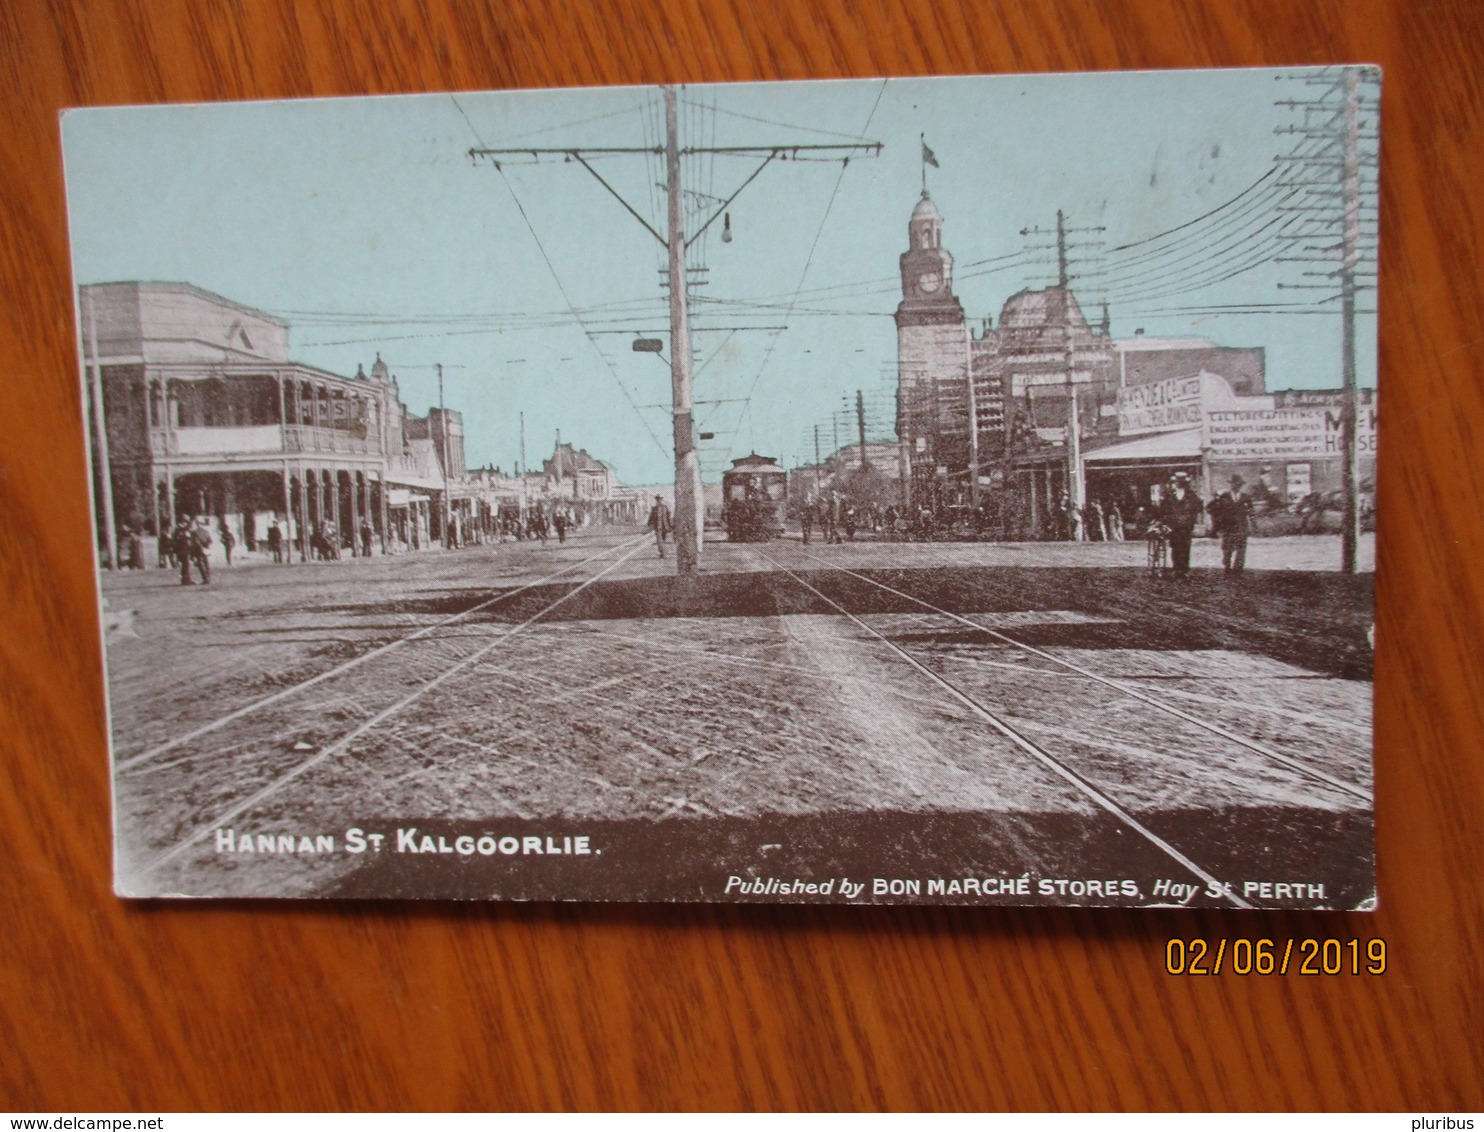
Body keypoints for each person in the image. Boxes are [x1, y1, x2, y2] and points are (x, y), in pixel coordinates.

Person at [1158, 472, 1203, 578]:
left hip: (1186, 526)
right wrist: (1166, 521)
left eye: (1180, 482)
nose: (1178, 484)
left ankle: (1184, 570)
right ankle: (1176, 568)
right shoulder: (1170, 495)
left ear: (1184, 483)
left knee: (1185, 548)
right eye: (1177, 482)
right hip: (1173, 526)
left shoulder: (1191, 495)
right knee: (1175, 547)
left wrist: (1191, 519)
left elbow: (1198, 508)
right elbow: (1163, 509)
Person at [1210, 474, 1256, 575]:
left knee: (1241, 549)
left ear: (1240, 486)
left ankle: (1238, 569)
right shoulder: (1224, 496)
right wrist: (1216, 497)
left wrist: (1253, 525)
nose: (1235, 486)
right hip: (1228, 527)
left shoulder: (1245, 498)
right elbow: (1212, 509)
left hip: (1241, 527)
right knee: (1227, 549)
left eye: (1238, 484)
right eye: (1233, 484)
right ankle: (1227, 566)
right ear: (1230, 485)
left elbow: (1251, 512)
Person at [647, 494, 672, 558]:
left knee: (663, 540)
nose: (659, 501)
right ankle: (663, 553)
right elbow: (651, 517)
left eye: (660, 500)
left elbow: (668, 517)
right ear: (656, 500)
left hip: (665, 527)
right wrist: (649, 524)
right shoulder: (654, 508)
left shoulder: (665, 507)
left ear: (662, 500)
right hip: (658, 527)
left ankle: (662, 553)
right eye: (658, 500)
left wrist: (670, 525)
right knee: (659, 541)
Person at [172, 517, 195, 585]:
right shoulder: (183, 530)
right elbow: (186, 539)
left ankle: (184, 579)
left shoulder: (177, 530)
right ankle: (186, 580)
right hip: (184, 550)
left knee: (184, 566)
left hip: (180, 550)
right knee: (186, 565)